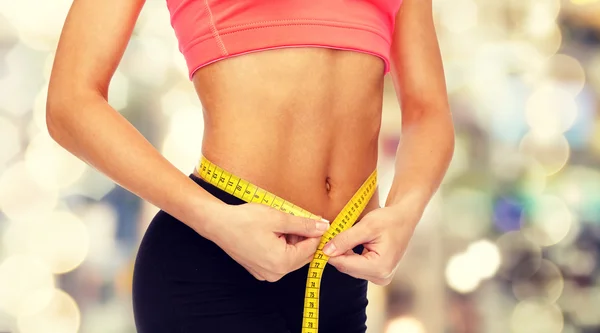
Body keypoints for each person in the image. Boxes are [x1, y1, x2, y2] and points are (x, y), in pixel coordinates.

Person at [46, 0, 454, 332]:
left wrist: (405, 211)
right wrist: (214, 218)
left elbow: (427, 109)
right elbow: (70, 102)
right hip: (216, 265)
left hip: (341, 278)